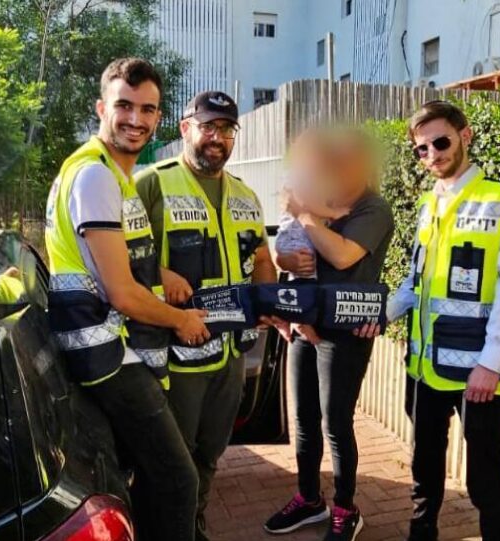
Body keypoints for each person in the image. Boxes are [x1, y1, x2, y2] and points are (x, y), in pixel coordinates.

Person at [44, 57, 210, 541]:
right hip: (109, 355)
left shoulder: (111, 174)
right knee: (178, 481)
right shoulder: (96, 176)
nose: (135, 119)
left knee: (144, 477)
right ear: (102, 108)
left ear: (159, 117)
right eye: (124, 106)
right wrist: (180, 320)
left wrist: (161, 273)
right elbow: (120, 291)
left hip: (112, 351)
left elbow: (109, 258)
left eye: (147, 109)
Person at [386, 101, 500, 541]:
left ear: (465, 136)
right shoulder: (428, 204)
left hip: (478, 371)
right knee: (424, 468)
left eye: (440, 142)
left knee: (484, 476)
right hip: (425, 369)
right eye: (421, 149)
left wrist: (491, 363)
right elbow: (417, 281)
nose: (432, 155)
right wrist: (379, 315)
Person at [135, 90, 277, 541]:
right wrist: (160, 273)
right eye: (208, 126)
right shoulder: (152, 184)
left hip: (230, 356)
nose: (217, 137)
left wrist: (267, 302)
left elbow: (261, 257)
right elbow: (116, 257)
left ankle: (192, 525)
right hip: (176, 357)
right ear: (185, 129)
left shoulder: (245, 194)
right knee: (169, 461)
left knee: (210, 454)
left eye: (227, 129)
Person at [264, 129, 395, 541]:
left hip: (345, 332)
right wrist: (288, 261)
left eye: (354, 159)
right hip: (305, 324)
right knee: (303, 418)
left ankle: (345, 508)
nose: (344, 167)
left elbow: (341, 255)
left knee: (335, 422)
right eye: (339, 160)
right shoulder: (325, 200)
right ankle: (308, 499)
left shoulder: (374, 209)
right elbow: (287, 253)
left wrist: (303, 213)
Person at [275, 129, 350, 280]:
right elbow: (304, 202)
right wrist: (333, 213)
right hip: (295, 236)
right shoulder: (298, 175)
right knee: (307, 268)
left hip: (299, 236)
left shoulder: (315, 178)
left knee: (306, 271)